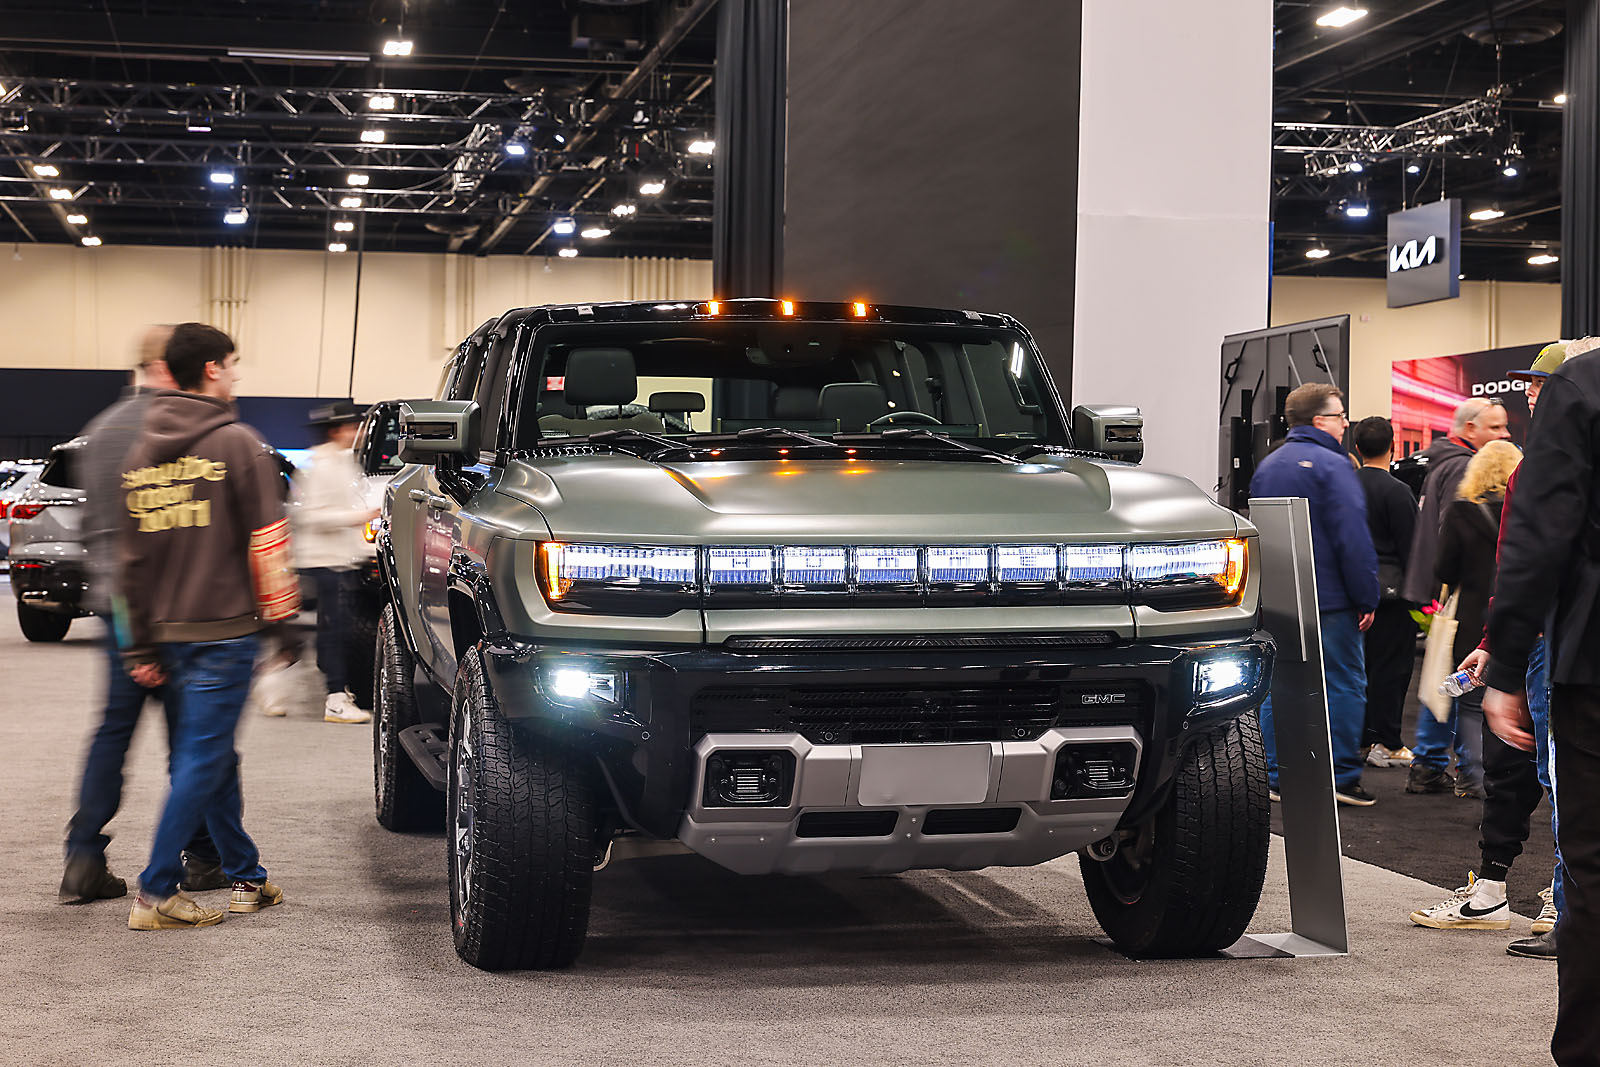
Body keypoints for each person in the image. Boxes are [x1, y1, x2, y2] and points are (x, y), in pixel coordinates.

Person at [118, 322, 299, 930]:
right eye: (233, 363)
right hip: (222, 632)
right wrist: (283, 621)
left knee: (212, 757)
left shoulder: (140, 454)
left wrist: (138, 644)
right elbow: (269, 541)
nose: (236, 374)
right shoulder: (238, 444)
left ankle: (246, 875)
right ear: (213, 368)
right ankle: (155, 892)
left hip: (165, 633)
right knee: (202, 759)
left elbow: (129, 562)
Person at [59, 326, 225, 904]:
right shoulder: (182, 427)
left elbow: (91, 529)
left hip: (117, 607)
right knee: (194, 736)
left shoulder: (100, 430)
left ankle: (83, 857)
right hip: (176, 607)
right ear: (166, 366)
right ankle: (201, 856)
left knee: (113, 731)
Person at [1481, 335, 1600, 1062]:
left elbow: (1537, 540)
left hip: (1593, 663)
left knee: (1592, 866)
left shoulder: (1583, 385)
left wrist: (1504, 664)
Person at [1250, 383, 1381, 806]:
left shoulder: (1269, 465)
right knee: (1344, 684)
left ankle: (1274, 774)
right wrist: (1366, 597)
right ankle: (1341, 775)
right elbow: (1352, 537)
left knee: (1280, 684)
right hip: (1332, 601)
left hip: (1281, 597)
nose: (1346, 423)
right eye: (1341, 415)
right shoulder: (1334, 465)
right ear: (1321, 420)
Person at [1405, 396, 1512, 794]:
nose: (1505, 433)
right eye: (1497, 426)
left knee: (1457, 689)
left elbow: (1445, 567)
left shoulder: (1459, 504)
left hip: (1467, 612)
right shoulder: (1522, 514)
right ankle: (1478, 773)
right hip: (1513, 611)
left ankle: (1456, 769)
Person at [291, 400, 375, 725]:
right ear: (337, 430)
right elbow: (312, 515)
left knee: (333, 630)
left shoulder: (340, 462)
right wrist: (360, 517)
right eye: (353, 426)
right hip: (323, 561)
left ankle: (336, 694)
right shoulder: (323, 465)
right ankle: (336, 699)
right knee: (334, 632)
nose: (359, 432)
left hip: (336, 560)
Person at [1351, 416, 1419, 769]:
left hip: (1351, 592)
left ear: (1357, 448)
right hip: (1392, 597)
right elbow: (1413, 549)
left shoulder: (1345, 488)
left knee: (1357, 669)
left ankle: (1361, 738)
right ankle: (1388, 742)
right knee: (1391, 671)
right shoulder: (1398, 491)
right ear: (1393, 446)